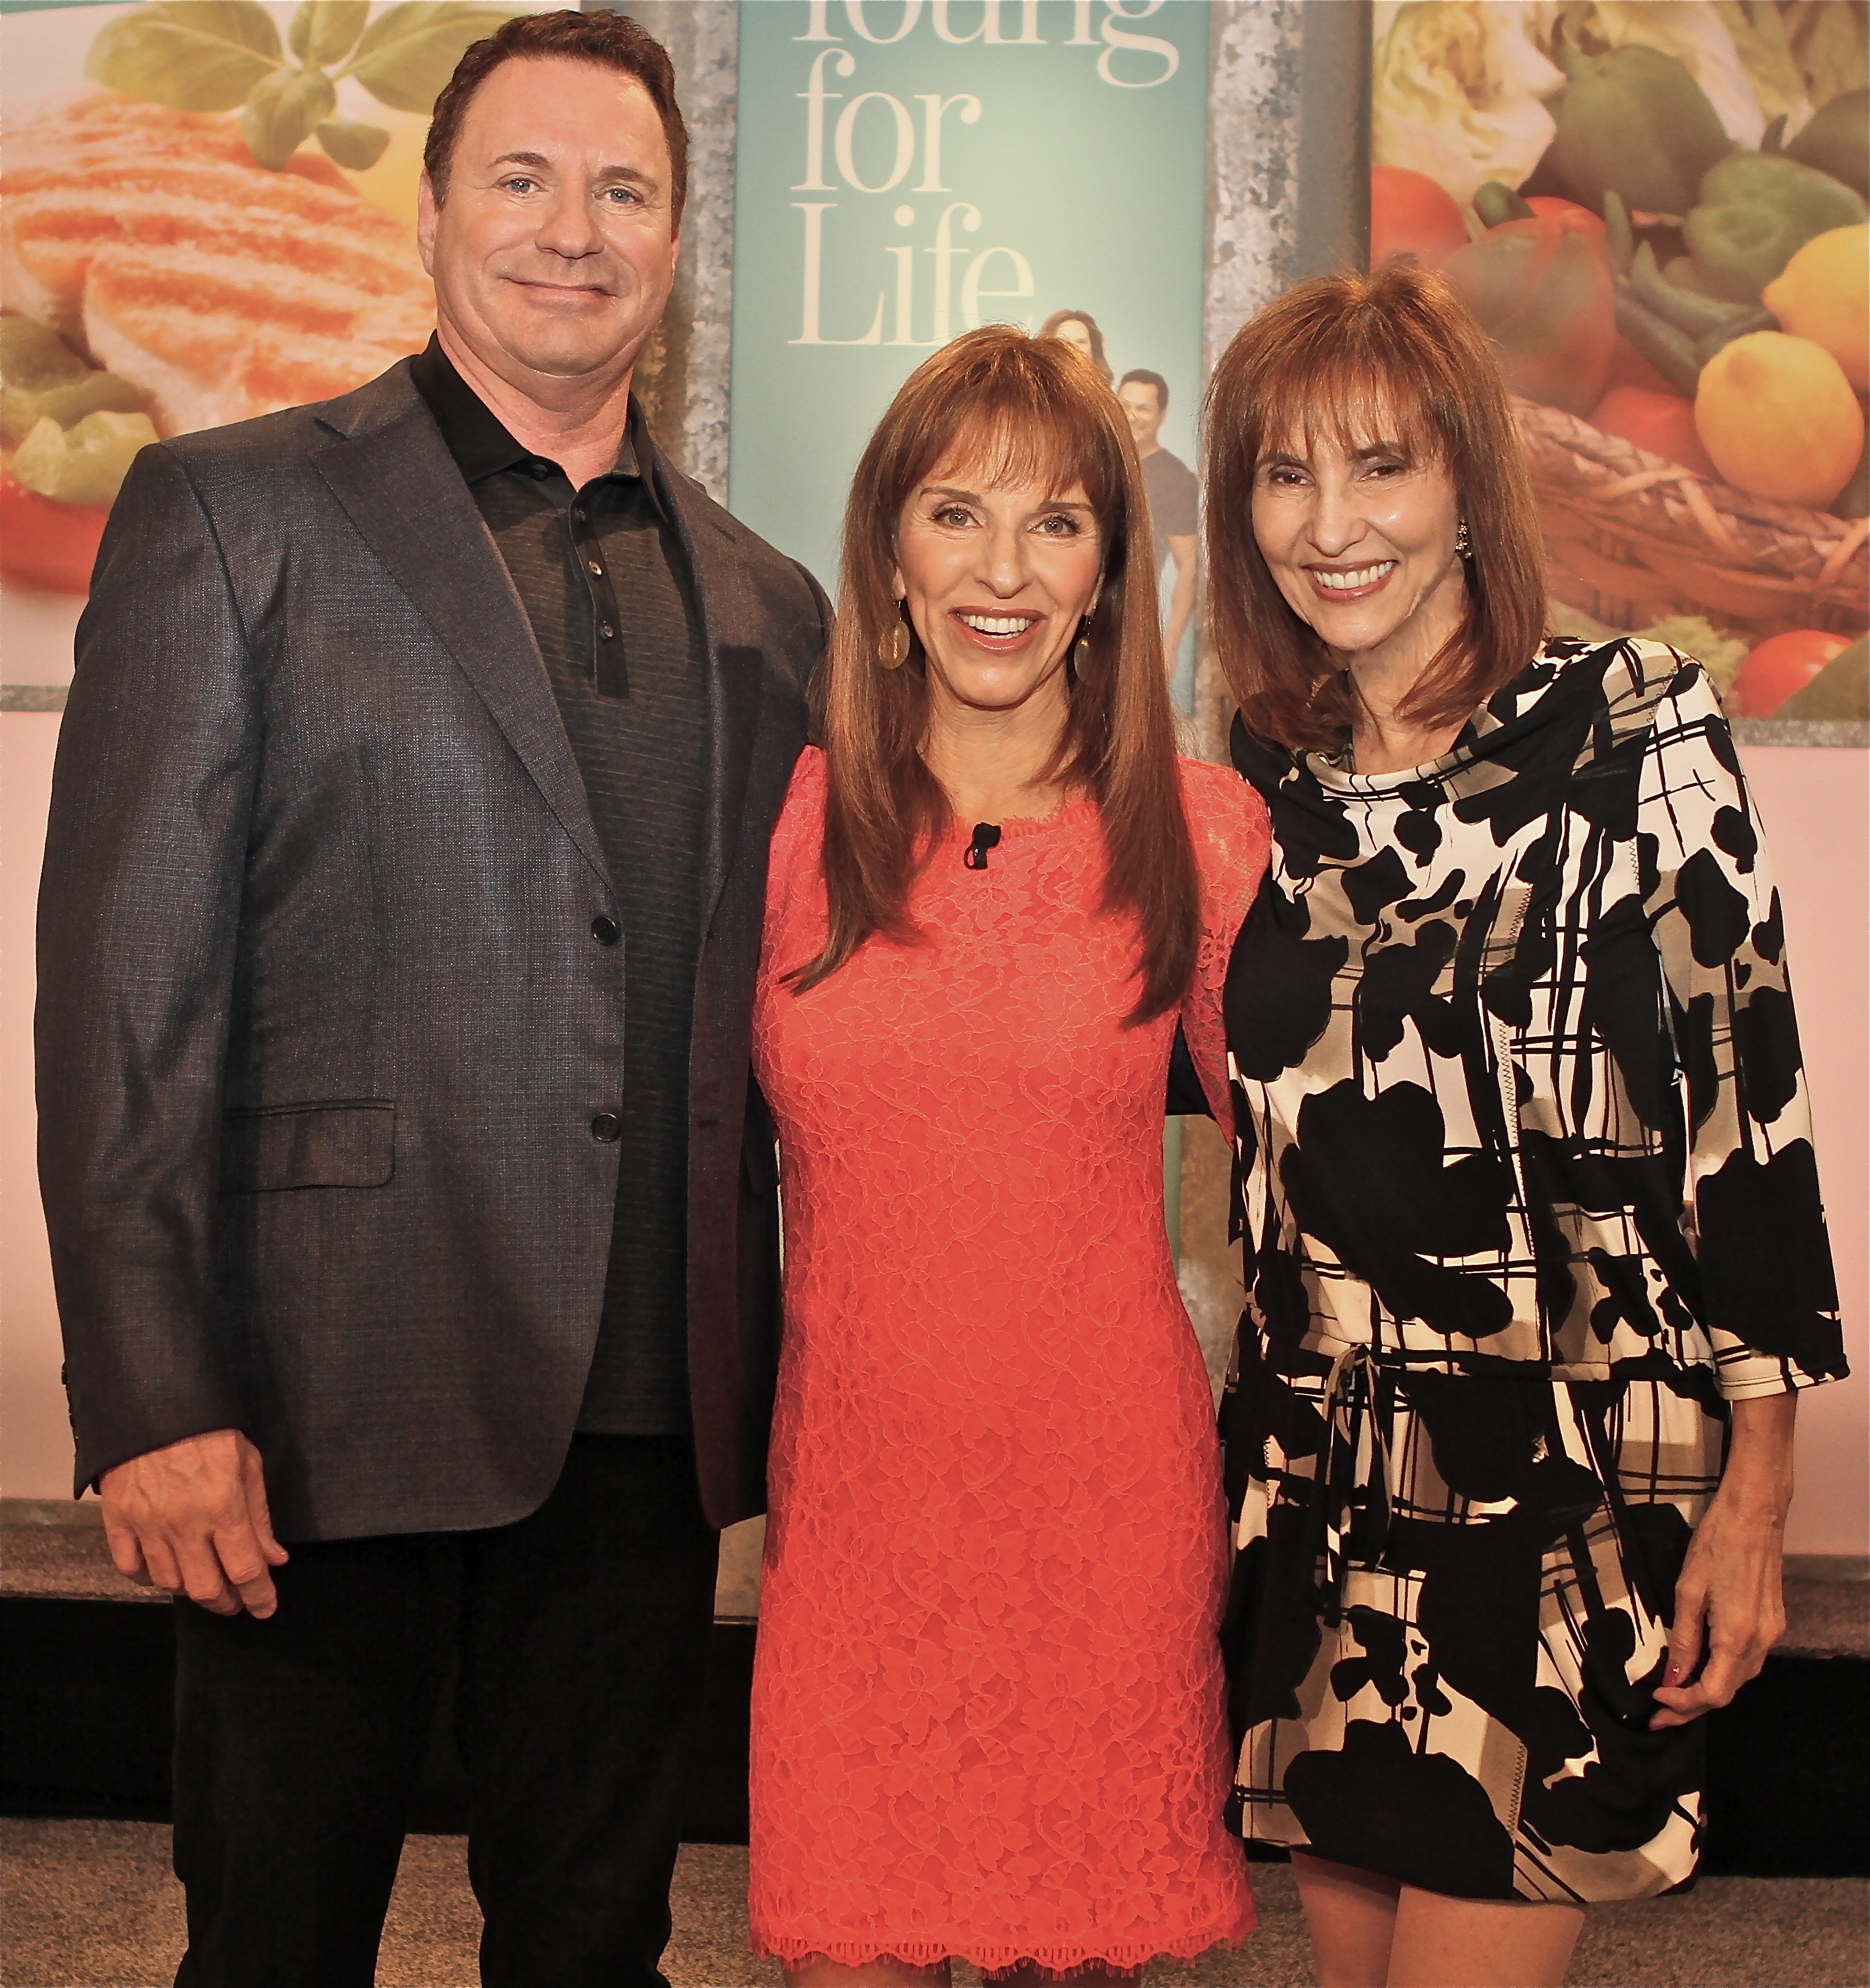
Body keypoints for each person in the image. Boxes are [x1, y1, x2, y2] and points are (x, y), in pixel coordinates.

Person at [35, 13, 828, 1985]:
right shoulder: (234, 510)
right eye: (526, 178)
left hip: (648, 1426)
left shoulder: (771, 599)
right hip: (317, 1405)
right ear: (433, 211)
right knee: (276, 1940)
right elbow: (124, 986)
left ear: (674, 241)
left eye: (625, 189)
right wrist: (155, 1396)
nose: (575, 229)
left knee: (591, 1941)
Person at [1202, 259, 1848, 1988]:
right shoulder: (1264, 777)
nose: (1329, 523)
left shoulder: (1633, 721)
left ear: (1467, 491)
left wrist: (1755, 1492)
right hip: (1326, 1476)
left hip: (1564, 1488)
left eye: (1379, 467)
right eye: (1283, 472)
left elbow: (1746, 1115)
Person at [745, 326, 1267, 1985]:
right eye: (956, 512)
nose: (1003, 567)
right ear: (889, 556)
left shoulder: (1200, 835)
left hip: (1102, 1526)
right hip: (851, 1530)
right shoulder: (784, 820)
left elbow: (1333, 1177)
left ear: (1111, 573)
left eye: (1056, 522)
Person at [1116, 368, 1199, 707]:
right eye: (1124, 405)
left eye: (1143, 408)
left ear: (1162, 415)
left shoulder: (1174, 478)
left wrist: (1171, 646)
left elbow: (1190, 566)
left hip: (1130, 633)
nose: (1131, 416)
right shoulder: (1097, 460)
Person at [1038, 305, 1114, 384]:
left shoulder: (1106, 395)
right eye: (1063, 342)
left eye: (1081, 342)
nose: (1072, 348)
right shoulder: (1033, 392)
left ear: (1093, 351)